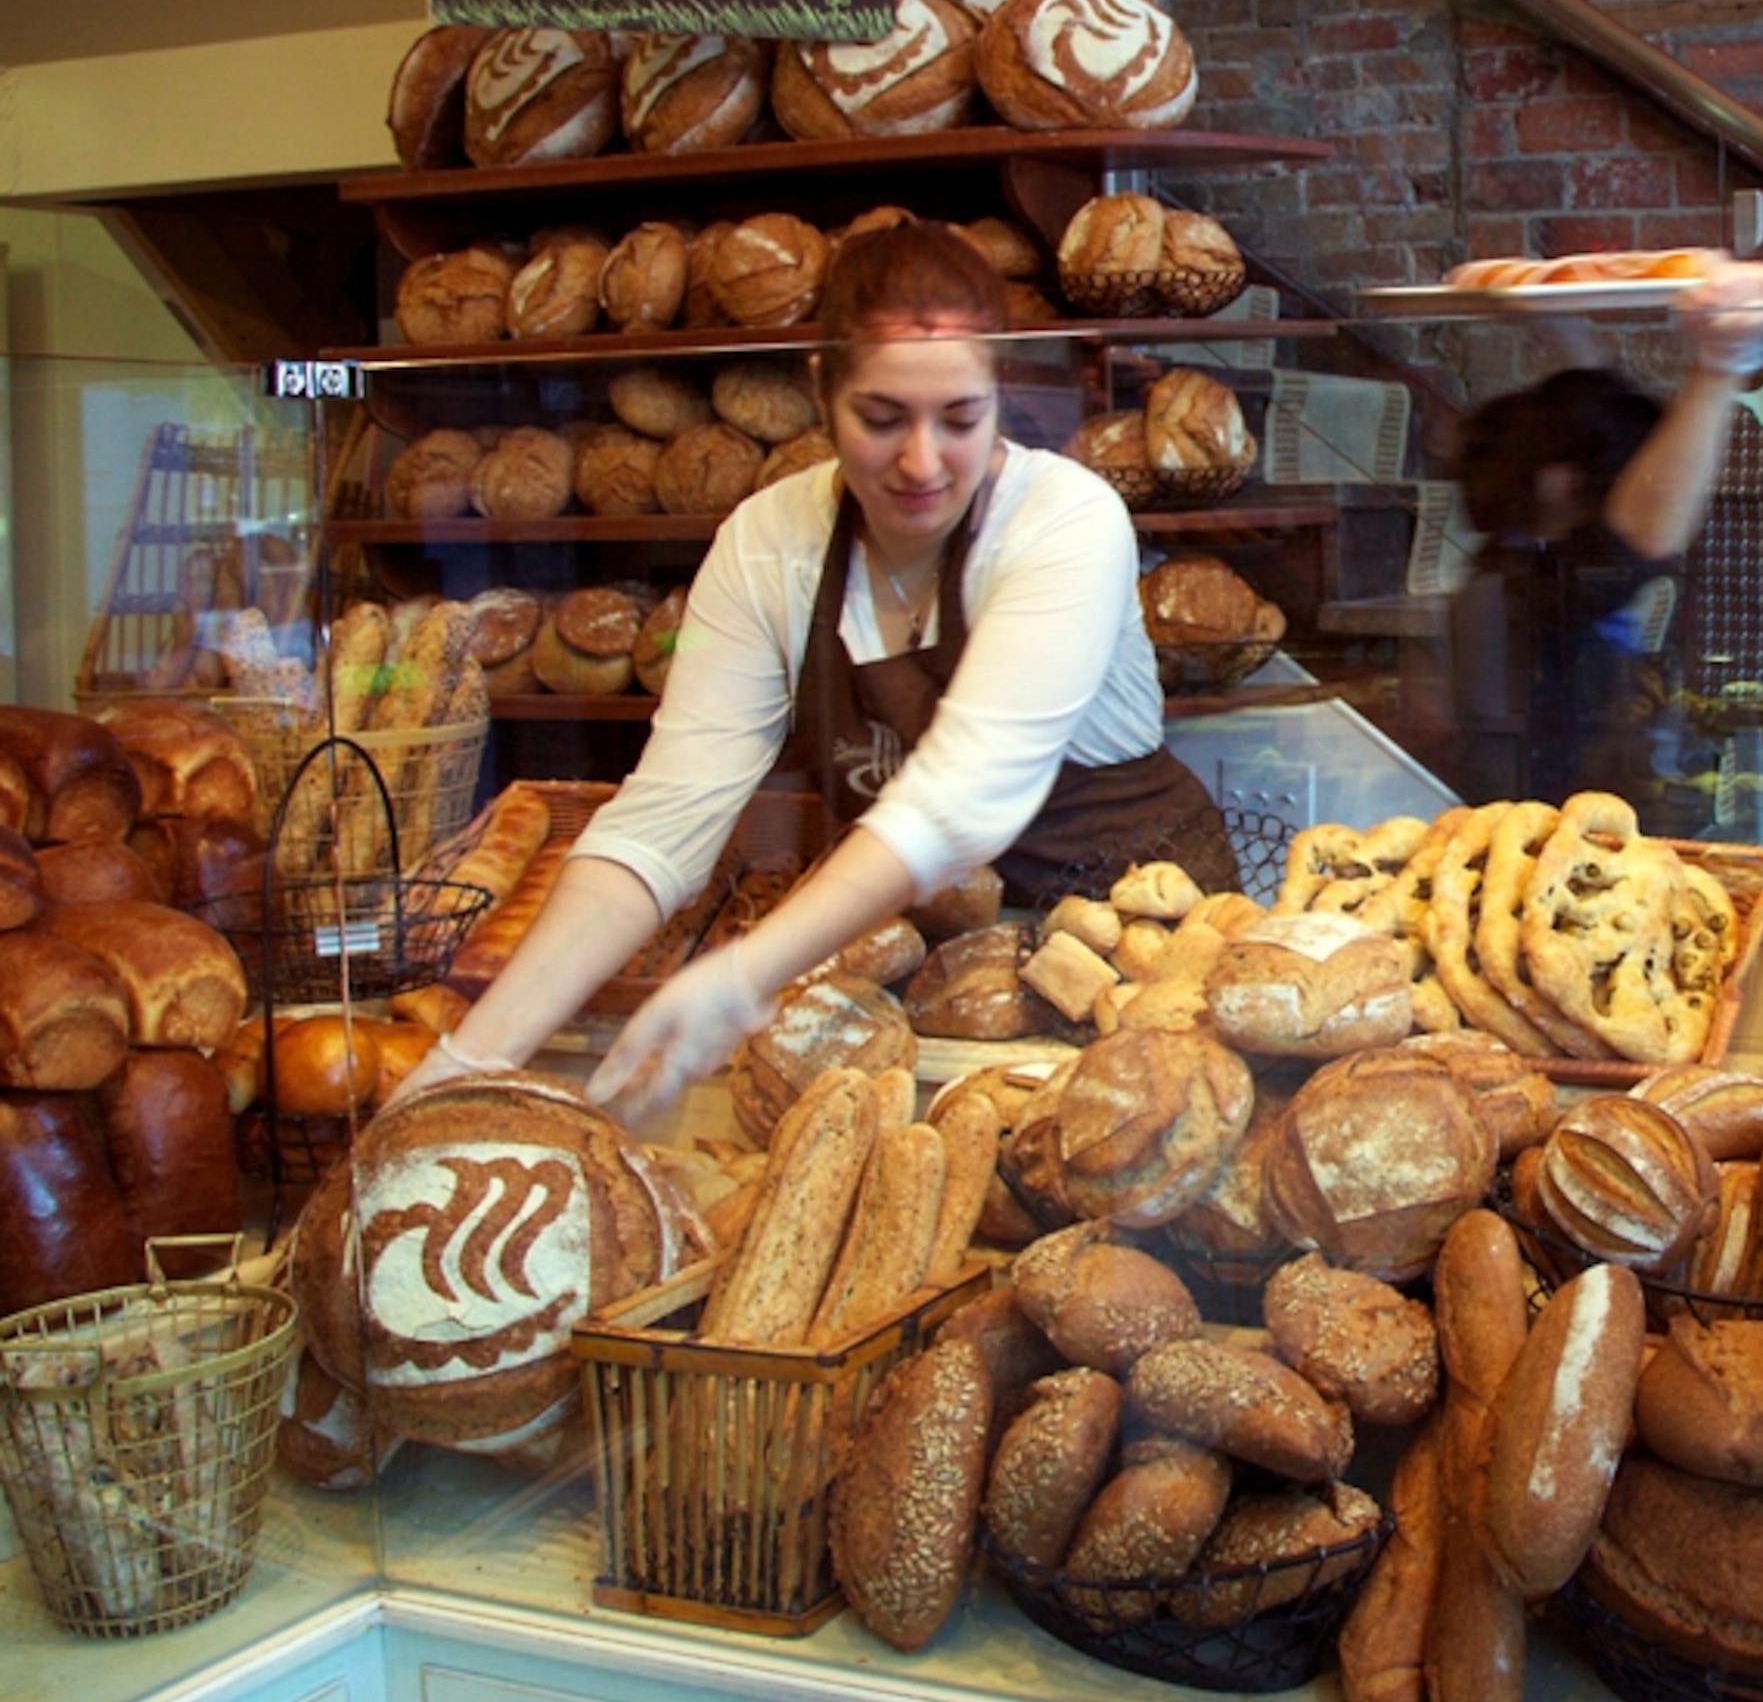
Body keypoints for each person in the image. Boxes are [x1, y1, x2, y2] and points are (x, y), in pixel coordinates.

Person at [394, 219, 1231, 1129]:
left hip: (1140, 971)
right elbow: (664, 820)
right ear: (820, 394)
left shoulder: (1066, 521)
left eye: (959, 419)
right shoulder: (768, 542)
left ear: (999, 398)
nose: (921, 461)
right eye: (881, 419)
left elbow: (966, 793)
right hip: (916, 979)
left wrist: (745, 976)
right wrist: (472, 1055)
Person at [1447, 258, 1763, 813]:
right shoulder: (1549, 590)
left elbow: (1595, 413)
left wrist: (1554, 315)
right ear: (1563, 486)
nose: (1633, 484)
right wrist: (1722, 363)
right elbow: (1649, 530)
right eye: (1619, 481)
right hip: (1556, 828)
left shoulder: (1513, 549)